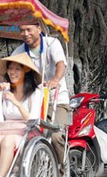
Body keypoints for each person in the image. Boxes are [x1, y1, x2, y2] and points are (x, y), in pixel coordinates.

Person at [10, 24, 69, 163]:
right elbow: (9, 70)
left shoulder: (52, 43)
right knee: (27, 134)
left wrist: (55, 80)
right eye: (22, 30)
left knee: (56, 136)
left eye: (29, 30)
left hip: (56, 100)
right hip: (33, 100)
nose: (25, 34)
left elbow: (61, 64)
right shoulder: (19, 51)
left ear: (39, 29)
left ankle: (62, 170)